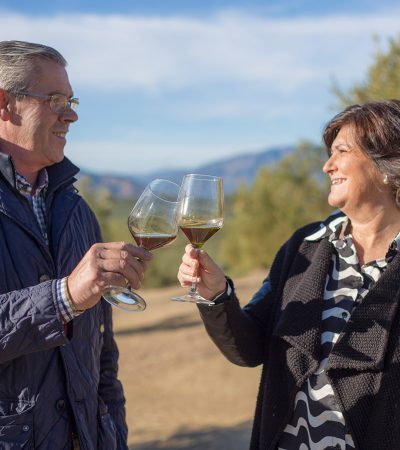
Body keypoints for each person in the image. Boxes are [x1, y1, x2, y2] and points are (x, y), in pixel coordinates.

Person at [177, 99, 400, 450]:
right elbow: (248, 348)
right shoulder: (303, 247)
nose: (327, 166)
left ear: (388, 165)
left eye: (341, 151)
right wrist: (217, 294)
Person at [0, 40, 152, 449]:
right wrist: (64, 296)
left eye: (71, 100)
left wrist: (111, 434)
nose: (71, 114)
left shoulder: (76, 210)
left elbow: (102, 352)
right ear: (4, 104)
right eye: (54, 99)